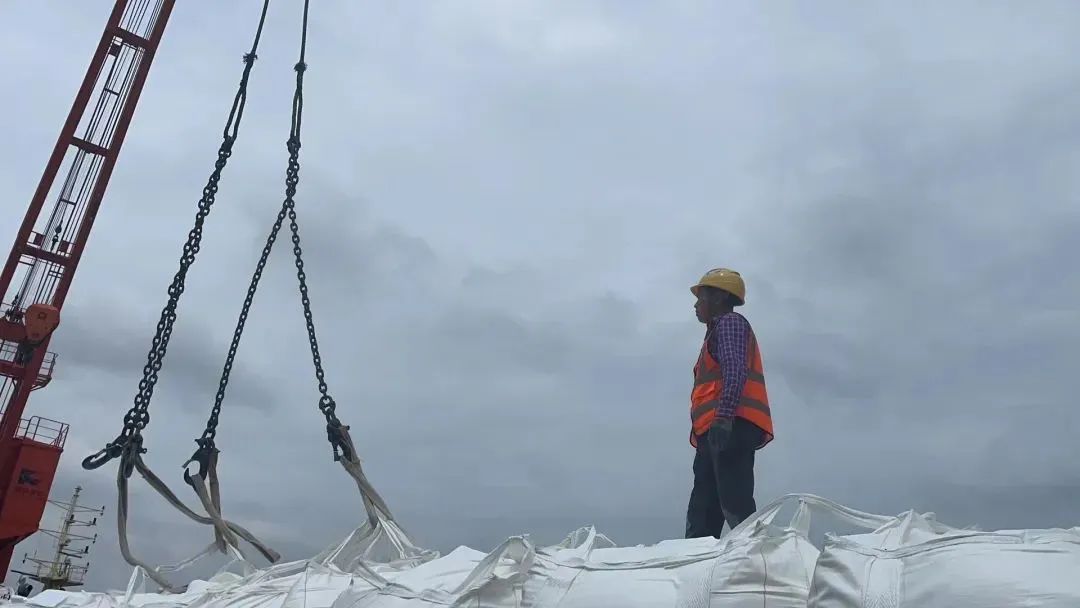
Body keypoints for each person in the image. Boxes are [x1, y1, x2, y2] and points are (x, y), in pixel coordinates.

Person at [685, 268, 774, 539]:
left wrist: (723, 418)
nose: (696, 304)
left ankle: (755, 557)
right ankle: (696, 562)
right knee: (703, 508)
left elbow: (735, 369)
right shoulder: (713, 334)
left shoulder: (730, 323)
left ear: (720, 296)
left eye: (701, 297)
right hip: (714, 432)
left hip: (731, 425)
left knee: (735, 503)